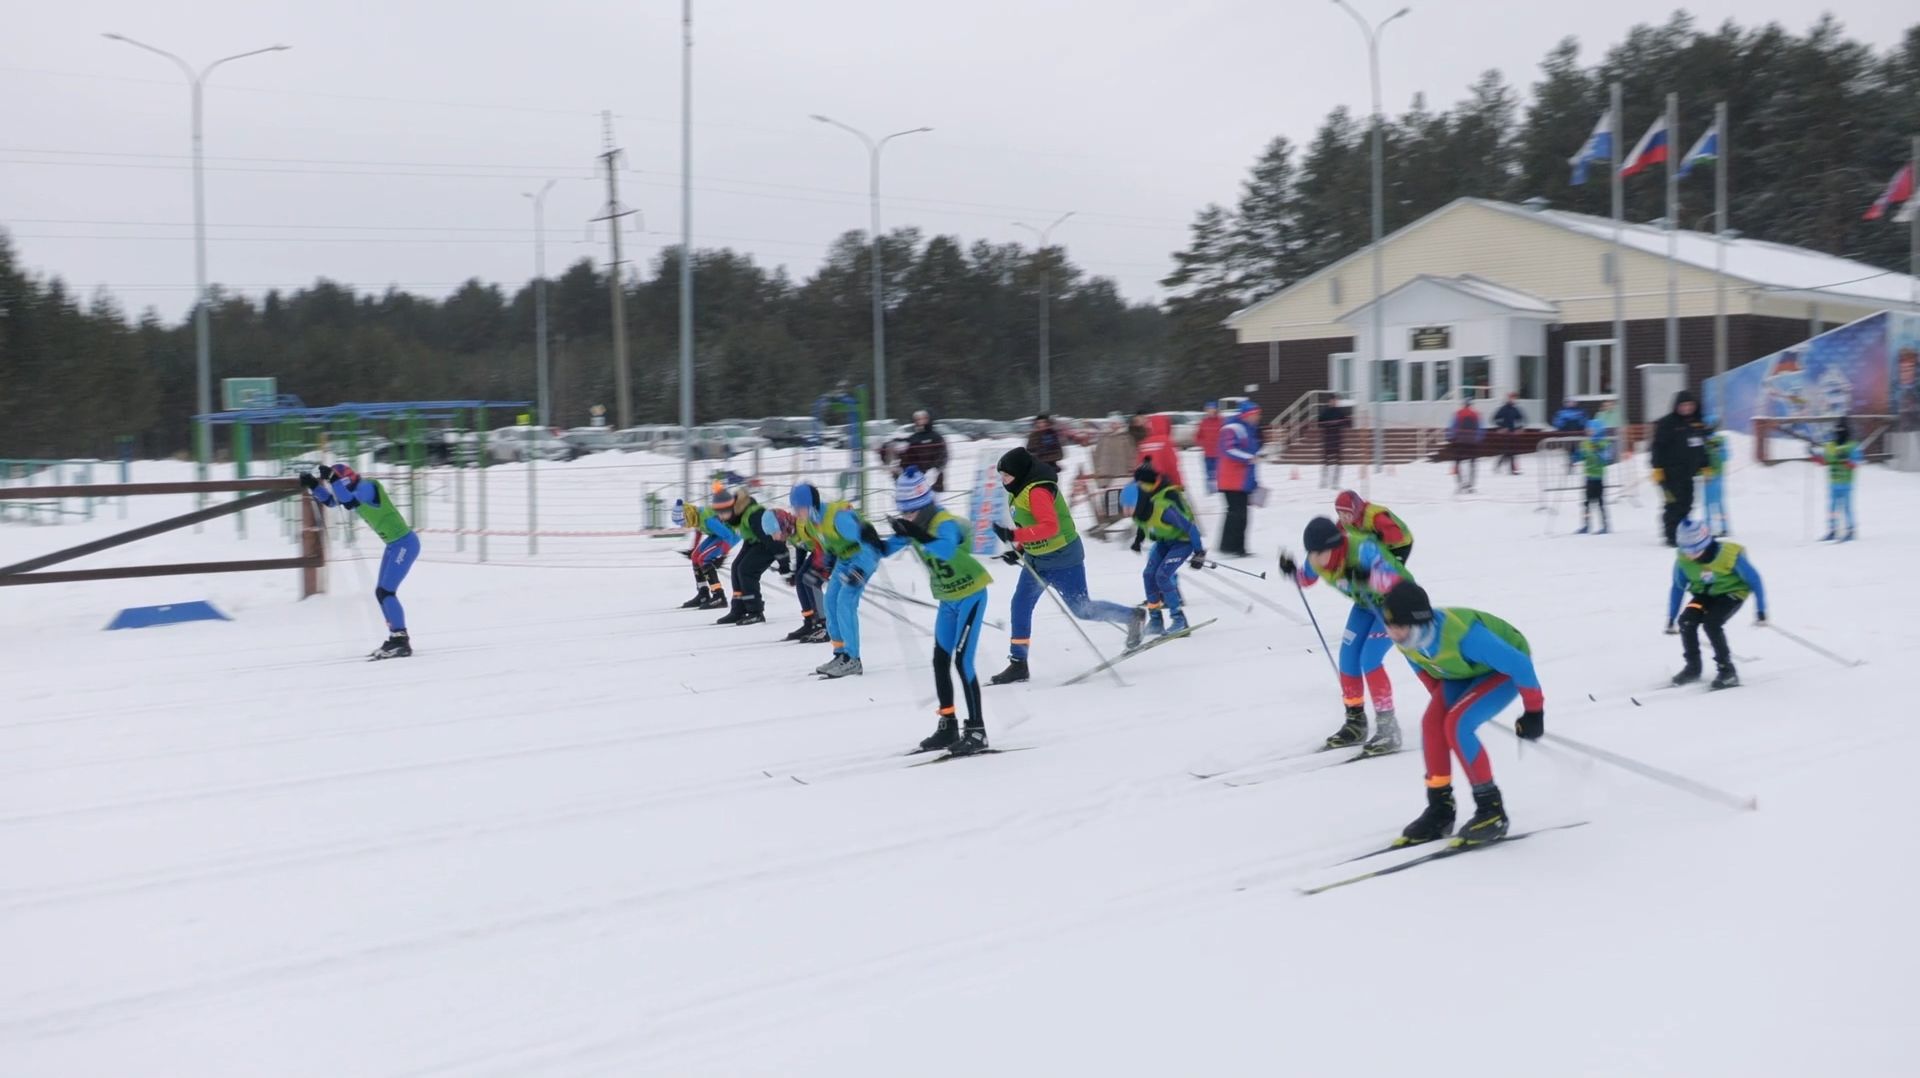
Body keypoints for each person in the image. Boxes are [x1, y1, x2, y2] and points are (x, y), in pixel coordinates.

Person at [1381, 581, 1544, 848]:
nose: (1393, 632)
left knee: (1457, 725)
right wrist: (1446, 701)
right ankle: (1440, 808)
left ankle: (1491, 811)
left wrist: (1534, 712)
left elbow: (1520, 665)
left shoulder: (1465, 636)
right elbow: (1424, 669)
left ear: (1419, 622)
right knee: (1432, 724)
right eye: (1389, 625)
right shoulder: (1405, 636)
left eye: (1398, 626)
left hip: (1503, 670)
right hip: (1462, 671)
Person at [988, 446, 1147, 684]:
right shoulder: (1018, 489)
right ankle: (1018, 663)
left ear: (1020, 473)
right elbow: (1029, 524)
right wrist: (1020, 550)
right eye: (1001, 475)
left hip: (1063, 558)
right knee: (1020, 604)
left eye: (1006, 475)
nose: (1003, 480)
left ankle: (1132, 616)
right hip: (1037, 558)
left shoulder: (1037, 491)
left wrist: (1014, 536)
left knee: (1082, 609)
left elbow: (1049, 527)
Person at [881, 468, 994, 755]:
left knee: (962, 662)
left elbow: (944, 549)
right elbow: (884, 550)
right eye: (903, 513)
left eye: (910, 512)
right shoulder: (914, 523)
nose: (906, 517)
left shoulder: (945, 522)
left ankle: (977, 731)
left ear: (922, 507)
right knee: (939, 660)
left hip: (971, 594)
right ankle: (948, 725)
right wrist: (867, 536)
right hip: (948, 600)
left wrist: (913, 532)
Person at [1279, 516, 1410, 756]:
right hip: (1364, 604)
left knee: (1370, 659)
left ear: (1334, 547)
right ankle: (1355, 722)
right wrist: (1292, 572)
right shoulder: (1316, 559)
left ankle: (1388, 728)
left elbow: (1395, 580)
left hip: (1397, 603)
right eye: (1311, 554)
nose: (1315, 560)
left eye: (1319, 553)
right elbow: (1305, 579)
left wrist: (1367, 576)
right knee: (1348, 657)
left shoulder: (1362, 549)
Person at [302, 463, 420, 659]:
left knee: (386, 591)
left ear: (346, 481)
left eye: (340, 484)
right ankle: (396, 636)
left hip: (405, 544)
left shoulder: (367, 487)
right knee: (381, 592)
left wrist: (333, 479)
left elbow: (348, 501)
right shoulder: (350, 489)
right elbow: (333, 501)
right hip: (393, 545)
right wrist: (313, 485)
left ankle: (400, 640)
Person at [1665, 519, 1767, 690]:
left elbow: (1755, 579)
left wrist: (1761, 610)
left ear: (1704, 543)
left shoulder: (1728, 555)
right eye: (1685, 549)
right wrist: (1671, 618)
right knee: (1687, 621)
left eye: (1693, 549)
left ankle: (1727, 672)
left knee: (1711, 623)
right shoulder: (1683, 560)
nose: (1688, 554)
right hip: (1704, 595)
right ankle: (1693, 667)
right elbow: (1677, 587)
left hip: (1732, 594)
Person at [791, 482, 881, 676]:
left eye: (799, 507)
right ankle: (840, 653)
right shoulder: (811, 524)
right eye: (795, 508)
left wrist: (860, 570)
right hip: (844, 559)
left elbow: (870, 543)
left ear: (811, 504)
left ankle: (853, 659)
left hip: (861, 558)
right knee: (830, 602)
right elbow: (827, 548)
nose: (797, 512)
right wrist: (821, 569)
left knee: (845, 604)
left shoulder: (838, 518)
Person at [1125, 463, 1206, 637]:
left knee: (1162, 576)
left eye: (1129, 506)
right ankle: (1156, 620)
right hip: (1163, 543)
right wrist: (1138, 541)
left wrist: (1199, 552)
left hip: (1182, 543)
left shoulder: (1163, 509)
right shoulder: (1140, 512)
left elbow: (1190, 528)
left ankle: (1179, 620)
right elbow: (1143, 524)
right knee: (1148, 575)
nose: (1127, 511)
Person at [705, 485, 784, 626]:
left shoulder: (753, 514)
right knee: (736, 567)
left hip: (770, 544)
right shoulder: (738, 514)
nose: (722, 519)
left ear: (730, 508)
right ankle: (739, 608)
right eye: (719, 515)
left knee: (746, 570)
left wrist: (783, 560)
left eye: (723, 514)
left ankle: (756, 612)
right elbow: (750, 537)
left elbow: (770, 539)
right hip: (755, 542)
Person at [1651, 390, 1710, 546]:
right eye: (1683, 405)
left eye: (1690, 405)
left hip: (1688, 473)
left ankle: (1683, 533)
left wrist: (1705, 466)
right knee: (1673, 504)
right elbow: (1657, 447)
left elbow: (1701, 447)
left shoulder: (1697, 424)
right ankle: (1671, 536)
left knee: (1688, 502)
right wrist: (1657, 469)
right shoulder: (1667, 423)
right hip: (1669, 473)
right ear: (1677, 406)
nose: (1687, 408)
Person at [1215, 400, 1262, 557]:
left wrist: (1254, 482)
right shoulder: (1232, 427)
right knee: (1237, 514)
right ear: (1247, 415)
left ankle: (1234, 547)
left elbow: (1252, 457)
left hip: (1241, 480)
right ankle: (1232, 547)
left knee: (1239, 514)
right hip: (1231, 480)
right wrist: (1249, 458)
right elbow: (1228, 449)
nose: (1257, 418)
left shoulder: (1250, 430)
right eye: (1255, 415)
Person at [671, 493, 732, 610]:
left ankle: (719, 596)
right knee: (695, 557)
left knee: (704, 558)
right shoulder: (695, 516)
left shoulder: (708, 520)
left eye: (682, 522)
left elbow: (727, 536)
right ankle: (703, 594)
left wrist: (723, 556)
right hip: (718, 534)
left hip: (729, 535)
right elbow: (698, 531)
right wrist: (693, 549)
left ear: (687, 516)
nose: (683, 526)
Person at [1811, 418, 1865, 541]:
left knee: (1847, 508)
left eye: (1841, 430)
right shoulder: (1830, 446)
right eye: (1837, 430)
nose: (1838, 433)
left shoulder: (1852, 446)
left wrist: (1846, 459)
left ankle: (1850, 531)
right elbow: (1825, 462)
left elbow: (1856, 464)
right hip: (1833, 483)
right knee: (1832, 509)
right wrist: (1814, 456)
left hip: (1846, 483)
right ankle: (1833, 531)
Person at [1333, 489, 1412, 563]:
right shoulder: (1344, 522)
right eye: (1340, 514)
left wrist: (1376, 538)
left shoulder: (1376, 518)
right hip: (1379, 546)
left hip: (1400, 545)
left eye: (1348, 515)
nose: (1344, 519)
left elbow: (1397, 535)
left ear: (1356, 510)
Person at [1575, 420, 1612, 535]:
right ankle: (1586, 525)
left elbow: (1606, 458)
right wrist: (1577, 454)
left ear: (1597, 430)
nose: (1588, 432)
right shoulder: (1586, 443)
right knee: (1587, 503)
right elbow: (1582, 456)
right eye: (1588, 430)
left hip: (1598, 477)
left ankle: (1605, 525)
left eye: (1591, 430)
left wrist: (1597, 450)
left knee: (1600, 502)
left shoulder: (1603, 442)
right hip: (1588, 476)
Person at [899, 409, 949, 491]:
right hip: (917, 479)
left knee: (935, 501)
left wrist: (935, 469)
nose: (920, 421)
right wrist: (906, 468)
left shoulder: (936, 437)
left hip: (935, 479)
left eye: (923, 418)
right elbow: (908, 456)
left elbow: (944, 455)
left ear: (928, 419)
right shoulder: (913, 438)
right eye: (917, 419)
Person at [1133, 413, 1186, 489]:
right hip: (1162, 483)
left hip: (1146, 484)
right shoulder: (1166, 441)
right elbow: (1171, 466)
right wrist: (1178, 484)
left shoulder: (1143, 442)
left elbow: (1138, 464)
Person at [1701, 419, 1731, 536]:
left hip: (1716, 475)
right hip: (1708, 474)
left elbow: (1725, 456)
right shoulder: (1703, 439)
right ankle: (1713, 527)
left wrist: (1718, 449)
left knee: (1715, 502)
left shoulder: (1719, 440)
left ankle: (1721, 527)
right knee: (1711, 503)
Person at [1447, 400, 1483, 493]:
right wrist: (1478, 439)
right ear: (1470, 405)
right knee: (1472, 464)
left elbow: (1453, 427)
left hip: (1460, 442)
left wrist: (1451, 437)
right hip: (1472, 442)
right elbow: (1480, 428)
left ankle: (1460, 484)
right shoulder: (1476, 414)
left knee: (1458, 463)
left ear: (1463, 405)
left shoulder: (1458, 414)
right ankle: (1471, 485)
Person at [1317, 397, 1351, 488]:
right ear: (1329, 402)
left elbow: (1348, 423)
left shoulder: (1340, 412)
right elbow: (1319, 423)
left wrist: (1341, 423)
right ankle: (1323, 481)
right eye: (1332, 401)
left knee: (1338, 462)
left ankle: (1335, 482)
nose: (1334, 403)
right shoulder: (1325, 412)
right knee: (1326, 462)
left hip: (1337, 440)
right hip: (1327, 440)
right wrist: (1330, 424)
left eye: (1336, 401)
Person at [1492, 392, 1525, 475]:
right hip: (1505, 434)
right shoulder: (1503, 409)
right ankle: (1509, 468)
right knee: (1508, 451)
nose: (1514, 400)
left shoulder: (1515, 409)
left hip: (1513, 433)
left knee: (1510, 452)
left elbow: (1521, 419)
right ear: (1508, 399)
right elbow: (1495, 419)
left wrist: (1520, 428)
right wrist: (1502, 427)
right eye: (1512, 398)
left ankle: (1502, 467)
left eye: (1514, 398)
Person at [1196, 401, 1224, 493]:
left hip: (1219, 454)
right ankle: (1211, 491)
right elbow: (1198, 436)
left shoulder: (1222, 421)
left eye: (1212, 409)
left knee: (1219, 473)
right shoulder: (1203, 422)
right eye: (1208, 409)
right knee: (1209, 473)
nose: (1211, 411)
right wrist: (1203, 443)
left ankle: (1220, 489)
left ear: (1216, 410)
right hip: (1207, 454)